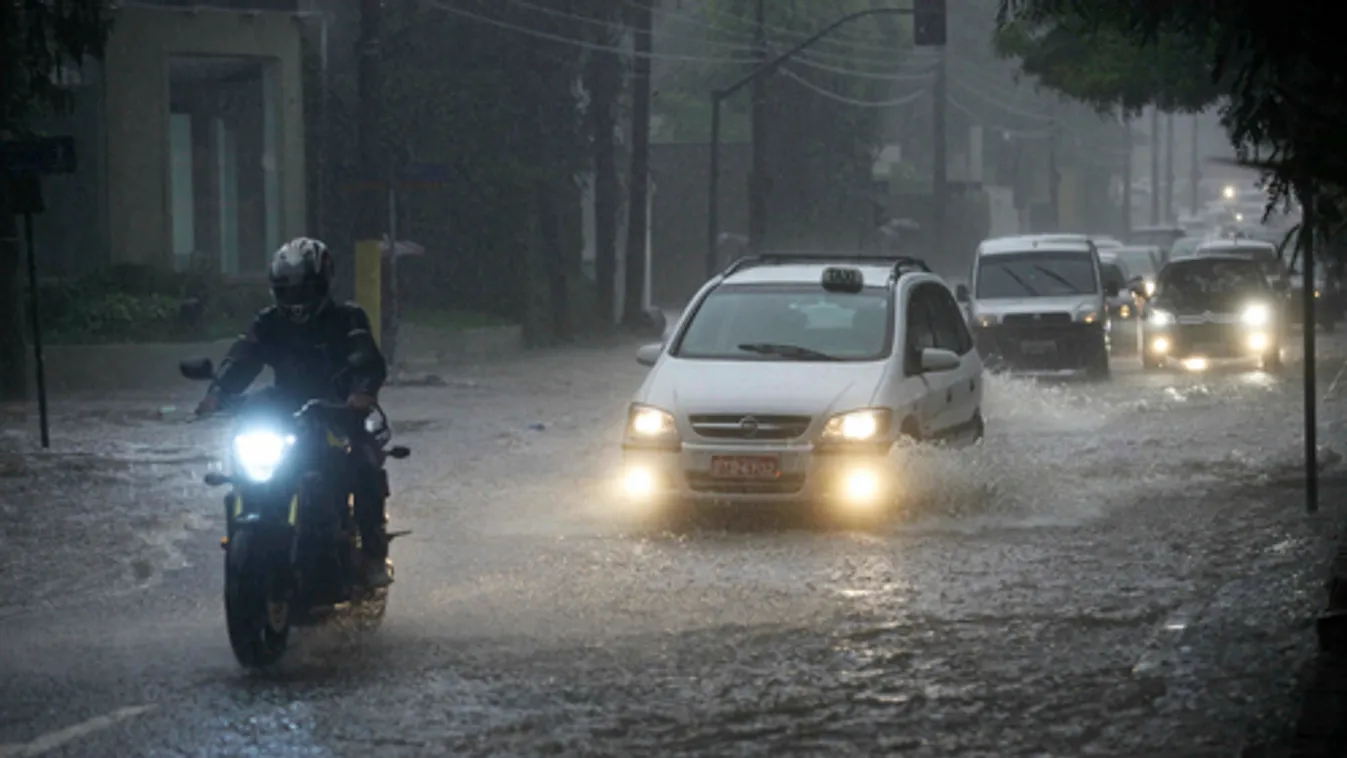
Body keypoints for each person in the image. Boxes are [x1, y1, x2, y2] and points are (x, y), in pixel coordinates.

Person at [195, 237, 393, 587]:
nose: (296, 300)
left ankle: (374, 554)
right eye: (287, 291)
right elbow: (243, 357)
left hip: (336, 409)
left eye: (305, 289)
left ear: (323, 285)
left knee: (363, 462)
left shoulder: (347, 318)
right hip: (284, 406)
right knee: (241, 472)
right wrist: (218, 392)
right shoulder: (268, 322)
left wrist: (361, 393)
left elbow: (367, 359)